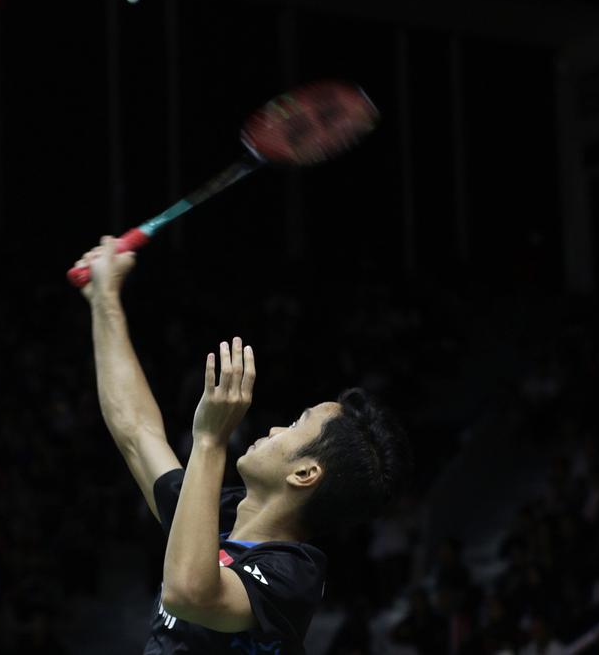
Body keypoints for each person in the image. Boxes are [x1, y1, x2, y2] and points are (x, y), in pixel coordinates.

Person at [74, 237, 412, 654]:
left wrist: (211, 440)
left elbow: (190, 594)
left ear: (304, 473)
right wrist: (104, 299)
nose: (272, 429)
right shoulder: (217, 514)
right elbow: (136, 431)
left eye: (294, 424)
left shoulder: (293, 573)